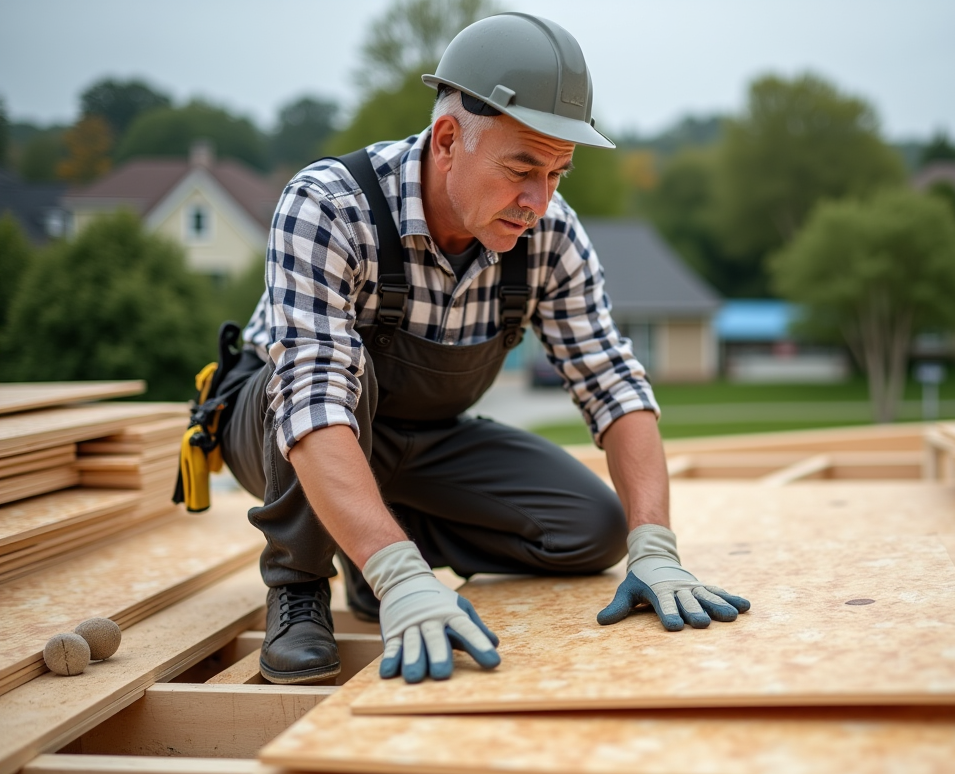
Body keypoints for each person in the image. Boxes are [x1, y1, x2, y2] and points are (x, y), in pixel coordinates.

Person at [220, 12, 749, 686]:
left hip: (423, 438)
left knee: (590, 529)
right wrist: (402, 576)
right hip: (279, 425)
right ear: (447, 139)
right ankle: (299, 588)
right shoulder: (329, 206)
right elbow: (311, 396)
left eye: (558, 173)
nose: (537, 200)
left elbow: (612, 382)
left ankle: (367, 544)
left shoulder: (550, 235)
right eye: (521, 168)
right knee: (334, 381)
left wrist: (656, 545)